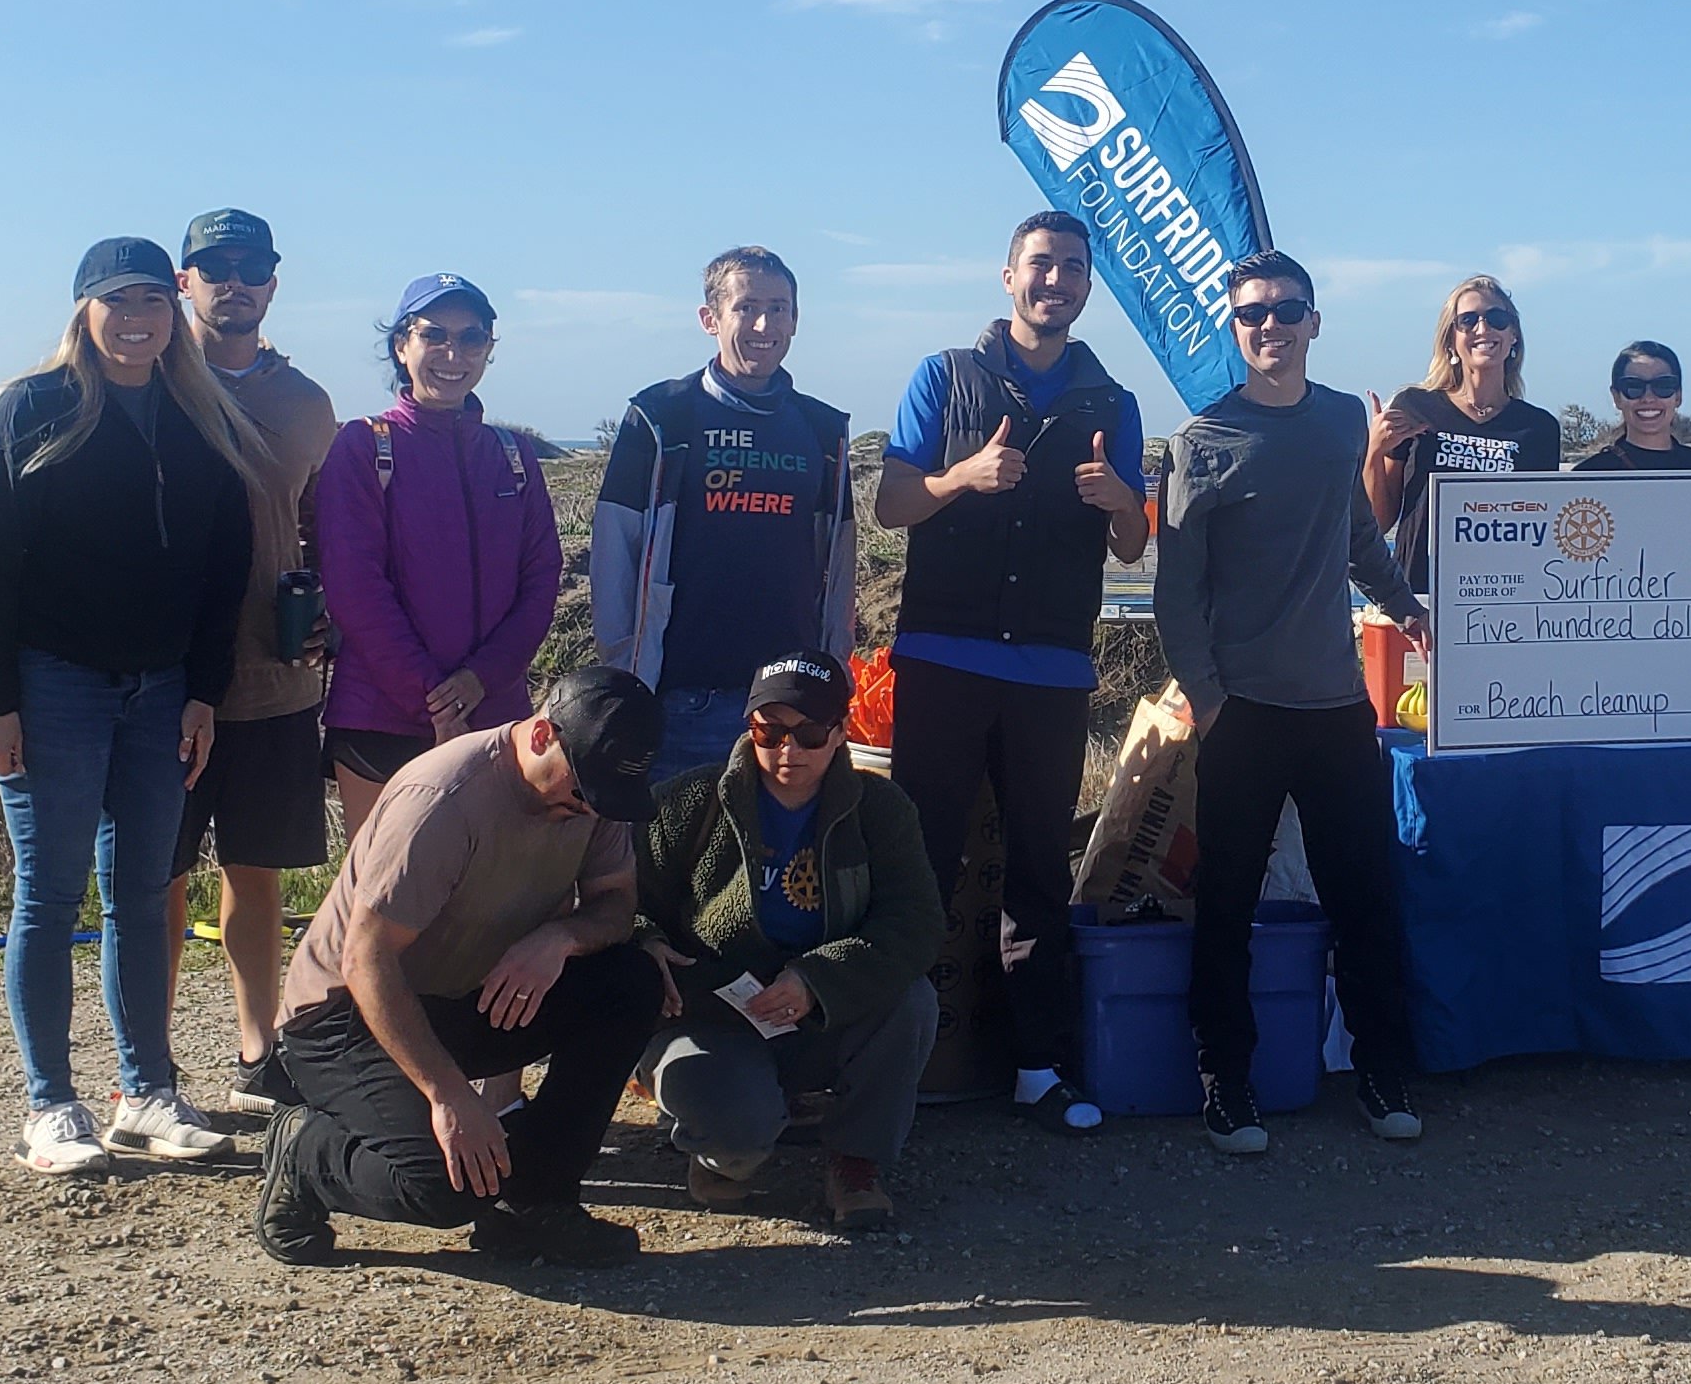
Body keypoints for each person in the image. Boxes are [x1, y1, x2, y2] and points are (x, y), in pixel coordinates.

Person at [0, 236, 263, 1177]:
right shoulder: (34, 407)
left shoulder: (197, 412)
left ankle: (145, 1093)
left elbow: (223, 575)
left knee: (139, 895)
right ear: (84, 310)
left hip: (162, 690)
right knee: (47, 898)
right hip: (54, 686)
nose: (136, 321)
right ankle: (51, 1105)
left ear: (173, 310)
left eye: (151, 303)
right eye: (115, 302)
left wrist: (204, 693)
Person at [874, 211, 1149, 1136]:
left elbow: (1134, 540)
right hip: (942, 658)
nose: (1056, 281)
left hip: (1051, 667)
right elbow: (890, 502)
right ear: (1008, 277)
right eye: (1042, 265)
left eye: (1074, 267)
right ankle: (887, 1068)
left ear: (1086, 284)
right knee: (919, 865)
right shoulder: (944, 375)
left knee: (1039, 866)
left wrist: (1121, 503)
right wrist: (961, 479)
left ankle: (1038, 1067)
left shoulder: (1109, 401)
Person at [252, 668, 667, 1269]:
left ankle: (537, 1201)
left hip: (461, 994)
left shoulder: (593, 790)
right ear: (543, 734)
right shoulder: (443, 800)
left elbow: (615, 903)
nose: (587, 810)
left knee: (630, 983)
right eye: (581, 792)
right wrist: (449, 1096)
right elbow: (366, 960)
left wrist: (559, 937)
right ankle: (305, 1154)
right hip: (345, 1019)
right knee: (445, 1188)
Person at [1155, 251, 1430, 1156]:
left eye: (1285, 310)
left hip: (1337, 706)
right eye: (1251, 315)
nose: (1268, 326)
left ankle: (1384, 1071)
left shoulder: (1344, 419)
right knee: (1227, 903)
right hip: (1245, 713)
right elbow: (1176, 592)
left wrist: (1403, 604)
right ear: (1233, 331)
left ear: (1315, 321)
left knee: (1365, 898)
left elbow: (1353, 530)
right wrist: (1210, 701)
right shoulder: (1202, 441)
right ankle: (1224, 1081)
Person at [635, 652, 946, 1236]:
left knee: (913, 1000)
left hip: (822, 1013)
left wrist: (817, 979)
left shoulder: (881, 810)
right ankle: (728, 1149)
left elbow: (918, 923)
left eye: (808, 734)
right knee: (735, 1134)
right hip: (713, 1014)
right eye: (769, 731)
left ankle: (856, 1161)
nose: (788, 751)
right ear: (747, 727)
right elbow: (618, 896)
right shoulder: (689, 802)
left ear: (840, 734)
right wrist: (646, 942)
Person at [168, 206, 338, 1116]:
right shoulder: (147, 379)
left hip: (273, 679)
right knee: (157, 878)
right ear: (185, 279)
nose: (234, 281)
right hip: (160, 682)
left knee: (257, 876)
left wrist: (329, 613)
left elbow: (324, 532)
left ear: (274, 281)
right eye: (215, 265)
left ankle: (255, 1048)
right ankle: (147, 1068)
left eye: (251, 266)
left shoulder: (307, 404)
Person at [591, 247, 858, 785]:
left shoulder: (823, 430)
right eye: (747, 307)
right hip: (684, 695)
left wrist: (835, 671)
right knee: (675, 861)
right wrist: (627, 675)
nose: (765, 324)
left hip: (791, 698)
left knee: (773, 864)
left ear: (796, 320)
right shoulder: (662, 416)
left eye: (779, 308)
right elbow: (613, 550)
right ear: (710, 319)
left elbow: (841, 555)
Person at [314, 275, 562, 832]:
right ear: (402, 346)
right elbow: (355, 588)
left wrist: (481, 679)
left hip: (495, 717)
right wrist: (434, 698)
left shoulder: (513, 456)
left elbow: (542, 578)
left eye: (472, 338)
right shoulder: (363, 447)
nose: (454, 354)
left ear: (489, 351)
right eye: (435, 335)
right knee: (379, 904)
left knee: (482, 906)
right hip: (381, 719)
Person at [1365, 275, 1563, 587]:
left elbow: (1538, 530)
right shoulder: (1413, 406)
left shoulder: (1539, 428)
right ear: (1450, 341)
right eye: (1468, 321)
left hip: (1501, 594)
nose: (1483, 329)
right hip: (1418, 596)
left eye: (1497, 318)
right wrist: (1375, 450)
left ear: (1513, 337)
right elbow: (1377, 522)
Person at [1574, 341, 1691, 472]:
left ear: (1678, 396)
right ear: (1616, 397)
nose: (1648, 398)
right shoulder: (1588, 476)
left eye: (1663, 386)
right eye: (1634, 387)